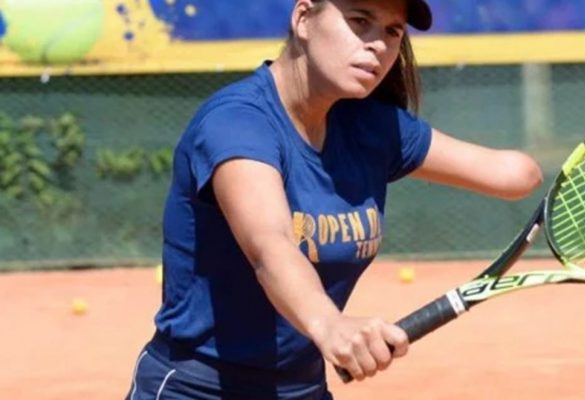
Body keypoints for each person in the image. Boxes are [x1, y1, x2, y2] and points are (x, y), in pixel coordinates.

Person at [126, 0, 542, 398]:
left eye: (392, 31)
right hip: (198, 389)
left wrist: (535, 176)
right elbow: (270, 246)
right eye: (359, 21)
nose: (378, 45)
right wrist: (329, 324)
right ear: (303, 18)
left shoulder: (370, 126)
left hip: (301, 389)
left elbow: (515, 175)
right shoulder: (237, 122)